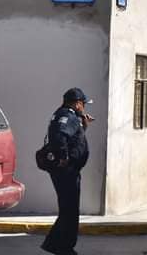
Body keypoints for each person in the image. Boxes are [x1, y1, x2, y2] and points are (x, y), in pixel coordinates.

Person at [41, 88, 94, 255]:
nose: (84, 107)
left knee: (68, 209)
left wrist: (83, 126)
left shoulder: (69, 115)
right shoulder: (67, 116)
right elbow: (59, 136)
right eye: (83, 104)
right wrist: (64, 157)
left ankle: (56, 244)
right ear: (77, 103)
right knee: (69, 210)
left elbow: (73, 139)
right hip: (67, 171)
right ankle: (62, 246)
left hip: (67, 171)